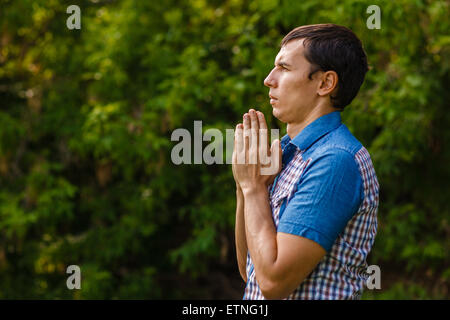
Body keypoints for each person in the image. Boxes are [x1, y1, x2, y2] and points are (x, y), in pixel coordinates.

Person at [232, 23, 379, 300]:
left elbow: (273, 282)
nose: (268, 79)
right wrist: (247, 186)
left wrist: (252, 188)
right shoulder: (286, 154)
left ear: (325, 83)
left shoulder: (335, 161)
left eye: (284, 68)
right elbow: (249, 269)